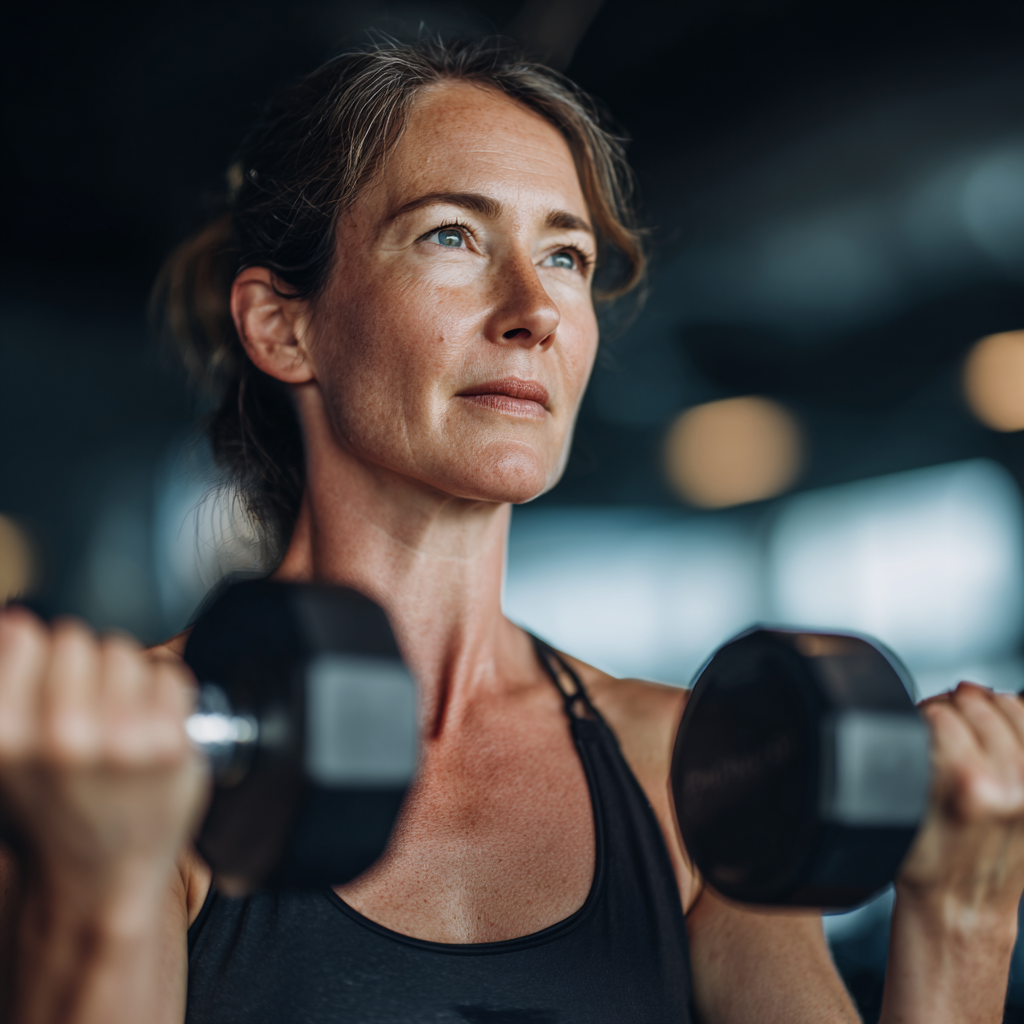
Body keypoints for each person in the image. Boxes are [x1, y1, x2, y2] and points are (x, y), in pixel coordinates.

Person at [1, 37, 1023, 1024]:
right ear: (283, 326)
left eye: (565, 255)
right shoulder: (134, 762)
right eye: (451, 235)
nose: (534, 309)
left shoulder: (689, 774)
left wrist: (964, 918)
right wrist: (90, 882)